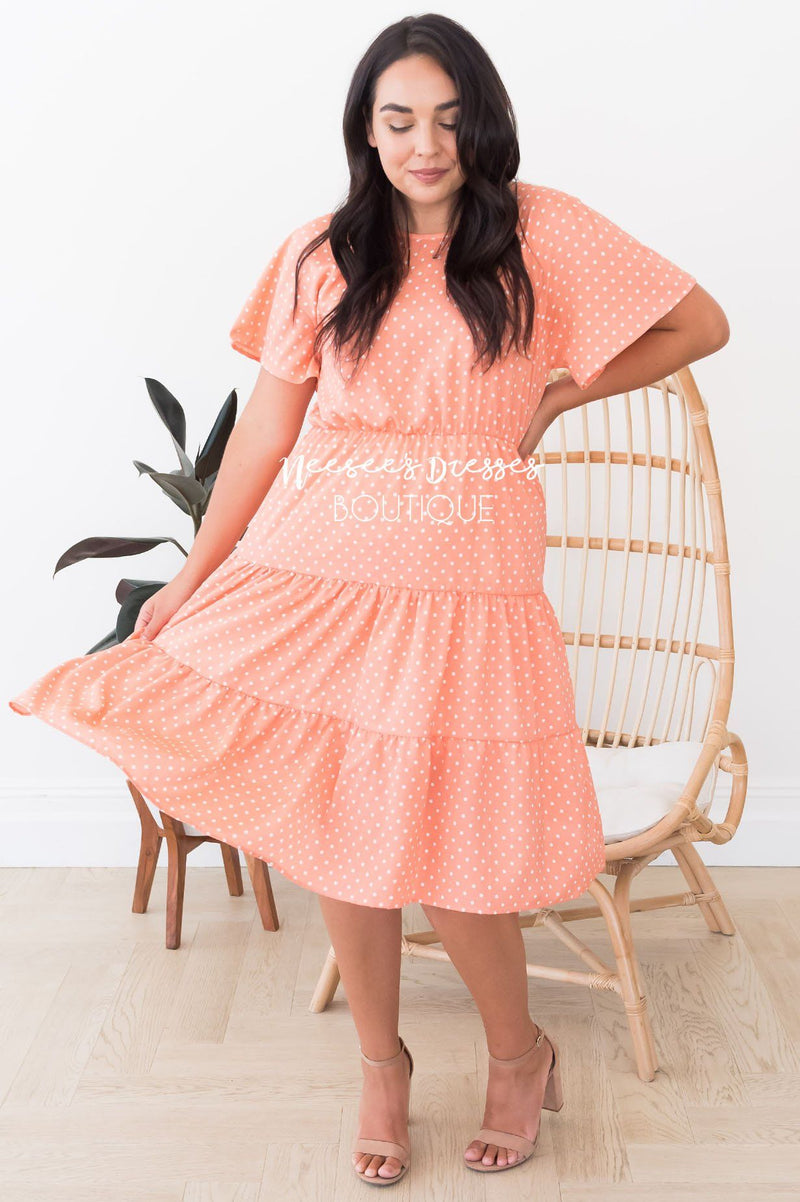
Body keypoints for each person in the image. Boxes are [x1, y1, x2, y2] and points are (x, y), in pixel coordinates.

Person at [9, 12, 729, 1187]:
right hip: (322, 567)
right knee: (341, 826)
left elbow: (699, 322)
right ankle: (379, 1066)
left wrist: (557, 393)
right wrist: (190, 578)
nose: (422, 145)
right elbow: (265, 432)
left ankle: (518, 1053)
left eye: (446, 119)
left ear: (481, 124)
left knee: (458, 843)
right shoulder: (321, 252)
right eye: (396, 121)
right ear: (365, 132)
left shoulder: (540, 231)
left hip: (466, 579)